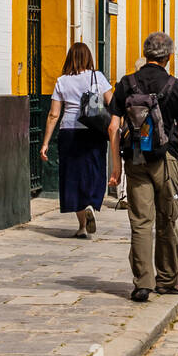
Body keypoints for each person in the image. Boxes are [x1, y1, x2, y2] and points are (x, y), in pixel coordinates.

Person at [109, 32, 178, 302]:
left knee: (140, 222)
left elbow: (113, 127)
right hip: (165, 160)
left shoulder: (126, 83)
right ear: (167, 57)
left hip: (134, 158)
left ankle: (142, 283)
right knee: (166, 219)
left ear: (145, 54)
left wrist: (116, 168)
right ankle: (167, 280)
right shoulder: (175, 86)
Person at [40, 43, 116, 238]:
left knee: (72, 176)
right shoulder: (97, 77)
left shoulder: (62, 81)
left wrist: (46, 142)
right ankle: (91, 202)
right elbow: (112, 102)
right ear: (89, 57)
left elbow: (53, 115)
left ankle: (82, 226)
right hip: (93, 130)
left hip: (69, 131)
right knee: (94, 170)